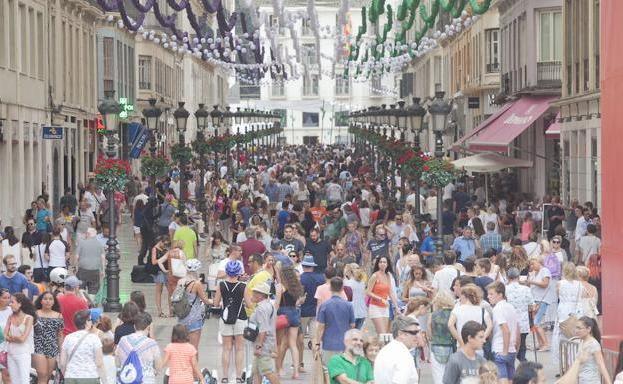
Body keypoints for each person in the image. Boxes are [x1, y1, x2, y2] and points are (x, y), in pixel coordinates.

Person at [212, 260, 247, 383]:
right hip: (240, 318)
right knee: (239, 348)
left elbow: (216, 303)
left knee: (226, 348)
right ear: (238, 273)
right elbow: (248, 303)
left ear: (227, 272)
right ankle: (238, 377)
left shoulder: (221, 285)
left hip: (225, 318)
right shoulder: (243, 286)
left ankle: (225, 377)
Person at [60, 309, 107, 383]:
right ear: (87, 322)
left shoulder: (68, 338)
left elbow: (62, 363)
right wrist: (105, 381)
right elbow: (99, 363)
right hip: (90, 377)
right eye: (90, 319)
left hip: (71, 377)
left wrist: (67, 374)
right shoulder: (94, 338)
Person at [315, 277, 355, 364]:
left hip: (328, 343)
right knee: (343, 369)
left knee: (329, 369)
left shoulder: (324, 305)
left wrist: (317, 343)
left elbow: (321, 327)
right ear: (342, 288)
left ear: (330, 288)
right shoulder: (349, 306)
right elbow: (352, 325)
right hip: (344, 343)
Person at [115, 312, 162, 384]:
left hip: (127, 379)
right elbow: (158, 367)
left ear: (134, 326)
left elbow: (117, 362)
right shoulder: (152, 344)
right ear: (148, 327)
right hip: (146, 380)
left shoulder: (123, 340)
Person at [486, 281, 519, 383]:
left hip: (500, 349)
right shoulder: (511, 307)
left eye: (491, 294)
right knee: (511, 379)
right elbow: (517, 329)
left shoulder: (498, 309)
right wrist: (516, 347)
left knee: (502, 379)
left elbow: (506, 330)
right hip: (512, 349)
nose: (488, 296)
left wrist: (504, 350)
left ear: (500, 294)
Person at [373, 315, 421, 384]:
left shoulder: (385, 350)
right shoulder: (403, 356)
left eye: (418, 332)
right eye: (414, 332)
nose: (418, 336)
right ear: (401, 334)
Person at [176, 259, 213, 350]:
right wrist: (214, 301)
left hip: (182, 317)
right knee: (193, 349)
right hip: (194, 318)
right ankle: (193, 364)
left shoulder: (180, 281)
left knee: (183, 348)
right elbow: (205, 300)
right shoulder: (197, 284)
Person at [276, 266, 304, 379]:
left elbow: (277, 304)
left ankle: (279, 369)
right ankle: (296, 372)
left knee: (279, 343)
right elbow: (297, 302)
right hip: (294, 313)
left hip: (282, 314)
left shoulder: (281, 287)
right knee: (293, 344)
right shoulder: (296, 287)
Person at [249, 282, 279, 384]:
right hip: (266, 343)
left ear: (260, 295)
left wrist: (259, 346)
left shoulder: (261, 309)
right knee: (256, 371)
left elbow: (263, 329)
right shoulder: (269, 306)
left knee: (267, 371)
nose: (252, 295)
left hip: (263, 345)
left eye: (254, 293)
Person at [448, 284, 492, 349]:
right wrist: (482, 338)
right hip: (477, 346)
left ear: (463, 296)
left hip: (462, 346)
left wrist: (460, 341)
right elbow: (490, 326)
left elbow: (450, 325)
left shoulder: (457, 309)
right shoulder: (482, 310)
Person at [504, 267, 534, 362]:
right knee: (522, 344)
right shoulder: (525, 289)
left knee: (509, 343)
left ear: (508, 277)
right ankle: (522, 361)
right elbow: (531, 305)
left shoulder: (504, 289)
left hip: (508, 321)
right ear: (518, 277)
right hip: (522, 320)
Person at [366, 256, 401, 335]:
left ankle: (380, 347)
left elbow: (391, 292)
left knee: (386, 334)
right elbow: (368, 292)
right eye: (380, 262)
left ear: (387, 264)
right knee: (382, 334)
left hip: (385, 307)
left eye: (384, 262)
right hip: (375, 306)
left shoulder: (388, 276)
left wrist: (396, 307)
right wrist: (380, 299)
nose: (382, 264)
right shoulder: (375, 276)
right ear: (378, 264)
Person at [5, 293, 35, 383]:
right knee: (14, 381)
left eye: (12, 302)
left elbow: (23, 339)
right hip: (11, 353)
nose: (10, 304)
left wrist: (11, 337)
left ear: (20, 304)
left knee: (24, 380)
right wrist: (16, 338)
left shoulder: (29, 318)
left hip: (23, 354)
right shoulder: (10, 317)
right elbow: (5, 335)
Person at [428, 290, 456, 384]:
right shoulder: (454, 313)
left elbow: (430, 335)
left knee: (438, 377)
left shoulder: (433, 315)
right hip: (451, 347)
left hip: (436, 346)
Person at [527, 256, 553, 351]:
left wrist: (532, 282)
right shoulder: (533, 273)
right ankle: (540, 343)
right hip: (535, 299)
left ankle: (545, 344)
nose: (532, 266)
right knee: (535, 323)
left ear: (539, 263)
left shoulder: (545, 271)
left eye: (533, 263)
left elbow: (545, 284)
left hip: (542, 299)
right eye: (531, 264)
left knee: (537, 323)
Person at [75, 228, 105, 295]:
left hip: (83, 270)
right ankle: (91, 303)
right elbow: (103, 258)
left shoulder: (82, 242)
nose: (85, 235)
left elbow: (77, 257)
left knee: (81, 288)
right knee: (93, 290)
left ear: (88, 234)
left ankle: (83, 302)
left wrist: (76, 268)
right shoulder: (99, 244)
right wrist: (103, 270)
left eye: (86, 233)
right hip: (95, 271)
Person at [151, 235, 172, 317]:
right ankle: (159, 310)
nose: (165, 246)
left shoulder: (166, 248)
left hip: (166, 271)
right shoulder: (154, 249)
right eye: (164, 244)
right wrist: (163, 257)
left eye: (167, 244)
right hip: (158, 271)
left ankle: (171, 310)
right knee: (159, 290)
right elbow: (153, 262)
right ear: (160, 242)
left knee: (170, 290)